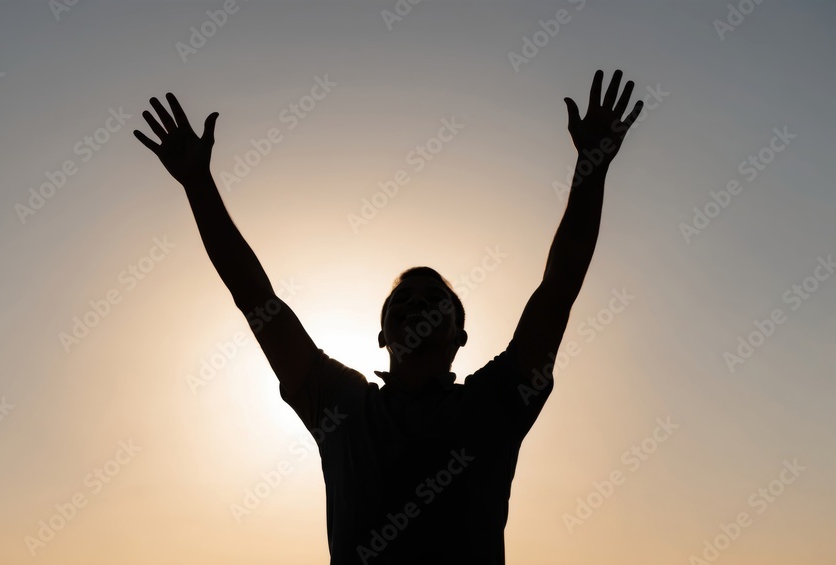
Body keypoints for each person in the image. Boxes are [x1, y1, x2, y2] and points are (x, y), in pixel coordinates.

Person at [134, 69, 644, 564]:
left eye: (433, 298)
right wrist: (197, 184)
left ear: (461, 335)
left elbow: (559, 288)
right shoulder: (339, 405)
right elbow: (254, 297)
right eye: (400, 300)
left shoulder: (498, 401)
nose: (414, 303)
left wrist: (593, 164)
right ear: (381, 335)